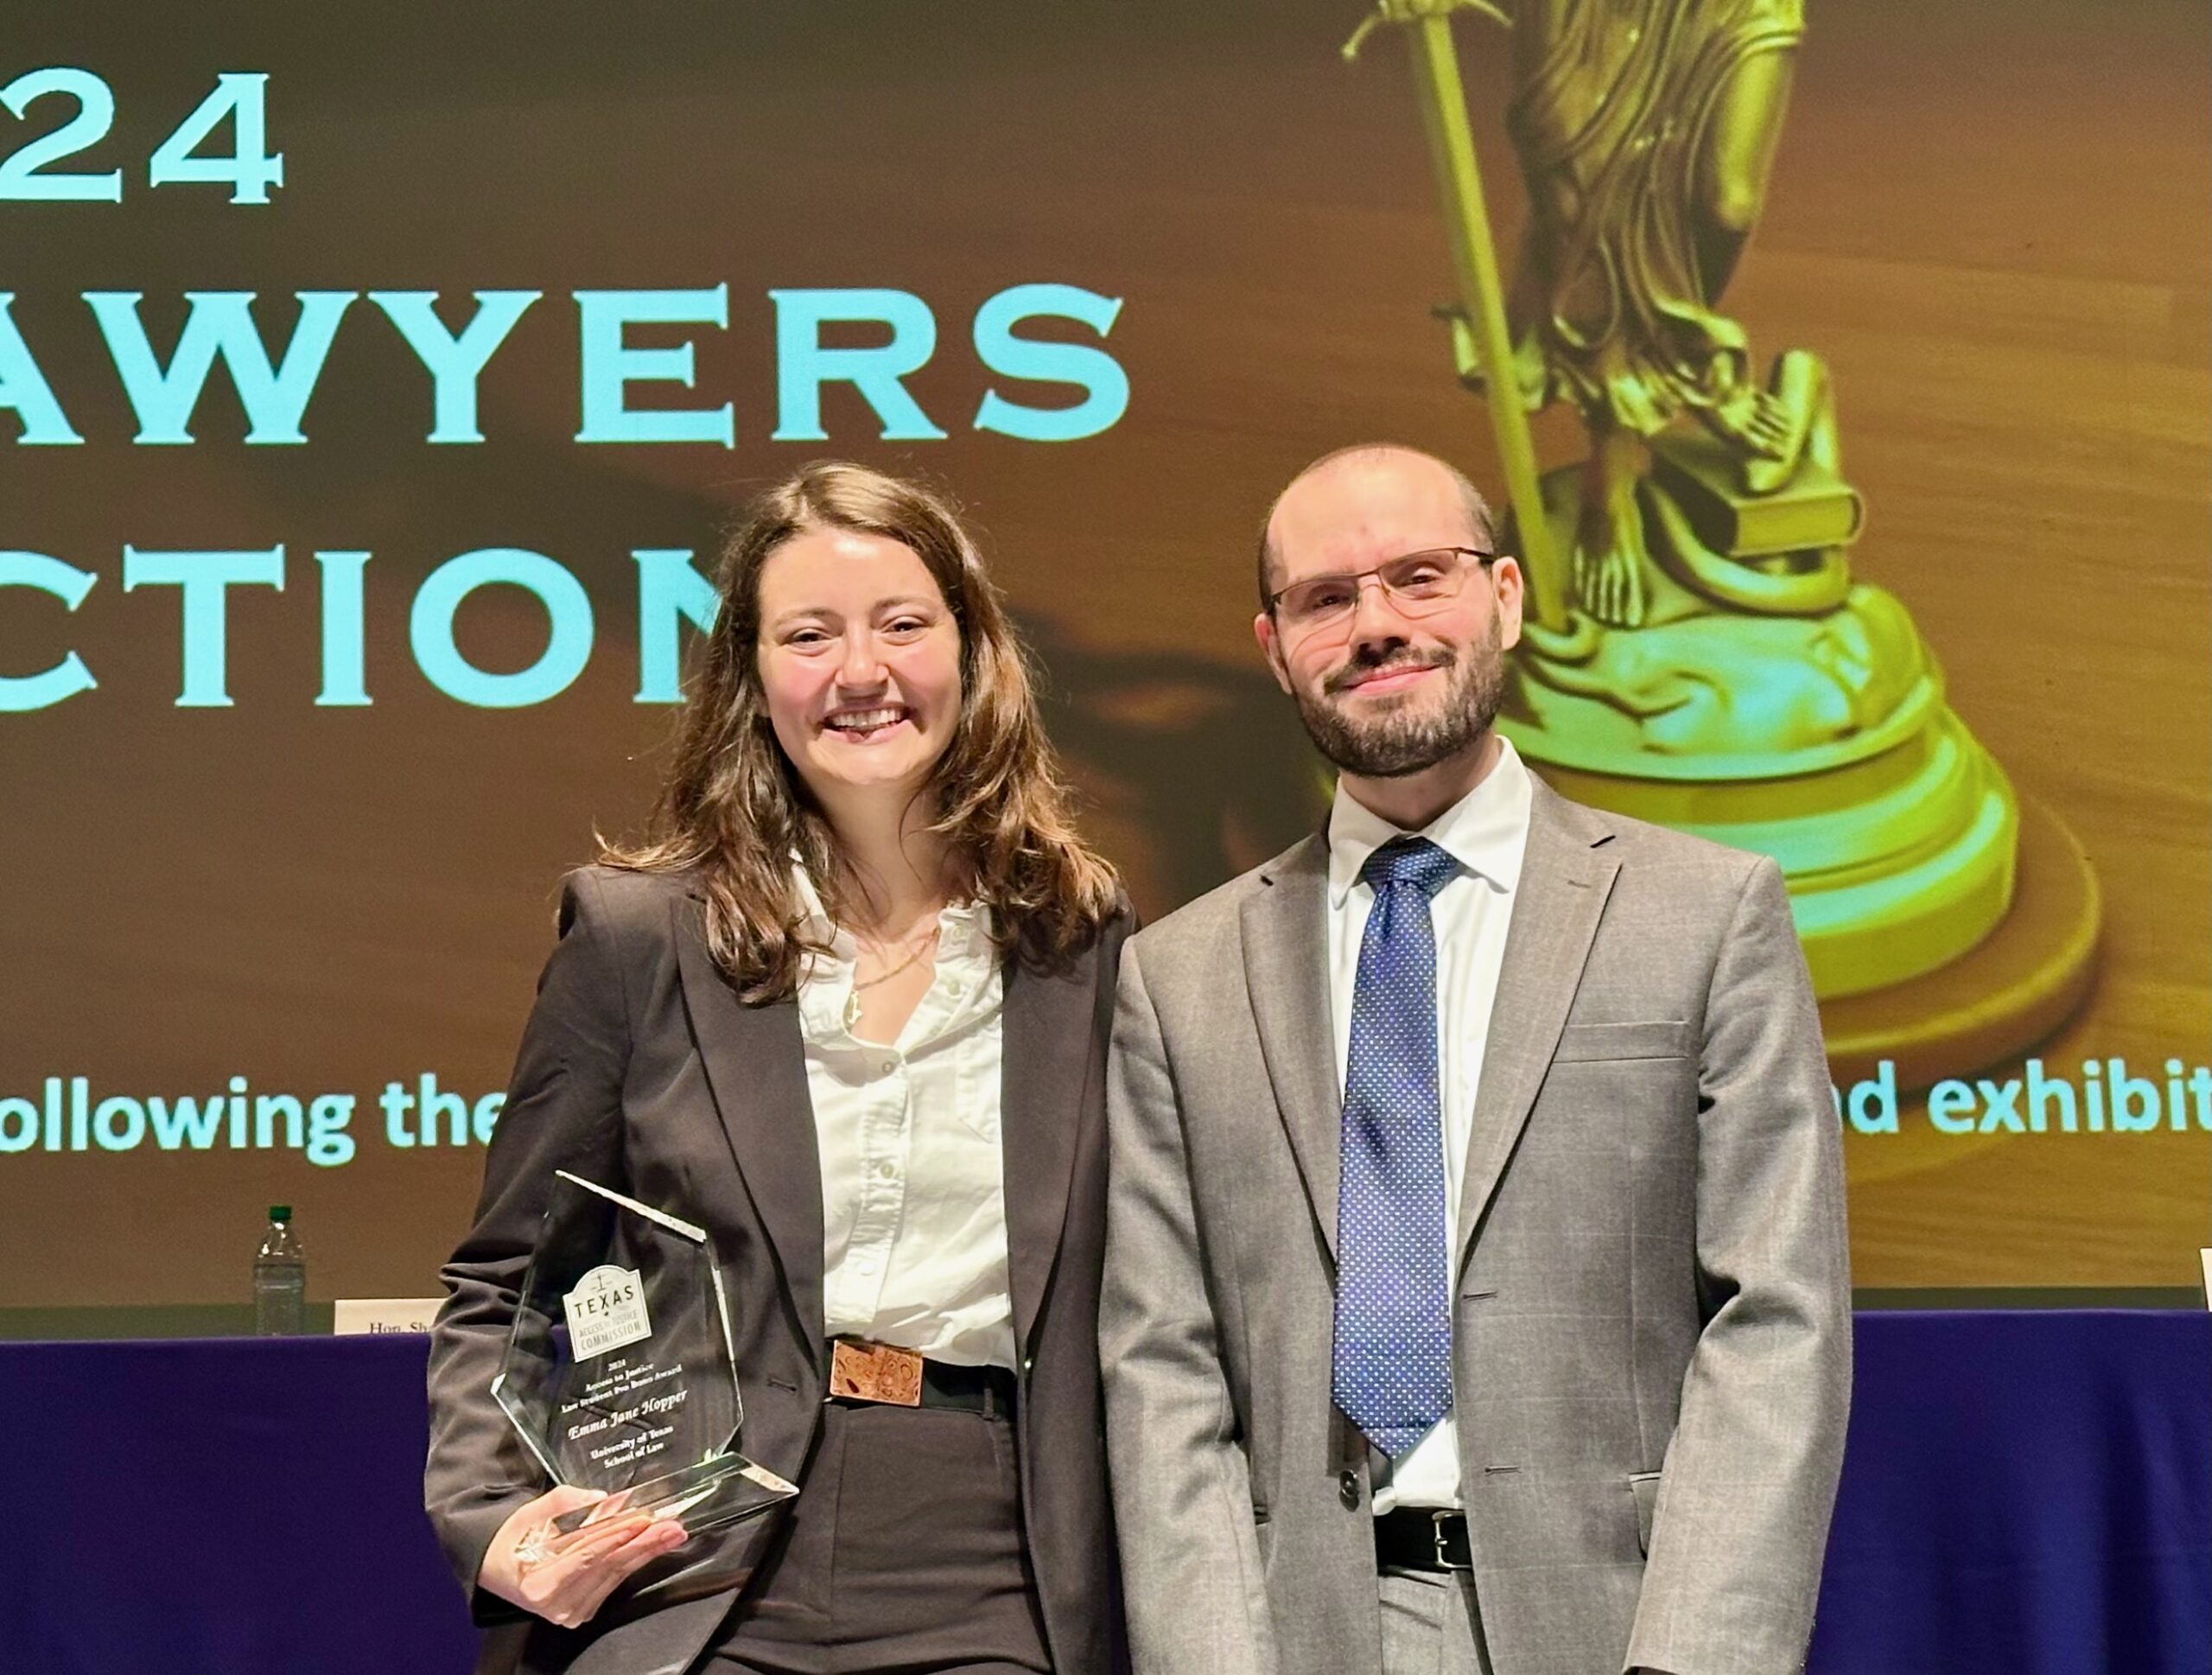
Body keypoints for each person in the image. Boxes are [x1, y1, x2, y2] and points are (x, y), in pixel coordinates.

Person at [1100, 443, 1849, 1675]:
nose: (1377, 624)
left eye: (1419, 576)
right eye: (1326, 598)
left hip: (1623, 1625)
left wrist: (1695, 1658)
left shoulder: (1708, 916)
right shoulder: (1176, 978)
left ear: (1506, 593)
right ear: (1273, 645)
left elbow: (1780, 1317)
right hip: (1309, 1632)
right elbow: (1162, 1368)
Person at [426, 462, 1130, 1675]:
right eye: (811, 635)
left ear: (973, 650)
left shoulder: (1082, 944)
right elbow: (502, 1280)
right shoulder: (637, 939)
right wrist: (490, 1520)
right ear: (754, 679)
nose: (861, 672)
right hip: (688, 1556)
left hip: (993, 1564)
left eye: (903, 623)